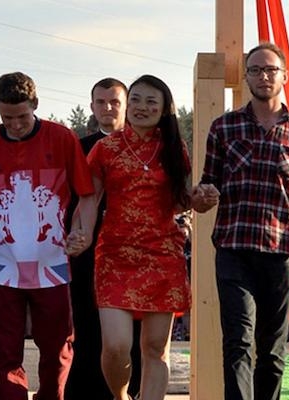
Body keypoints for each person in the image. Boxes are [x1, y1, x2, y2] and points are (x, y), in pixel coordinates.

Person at [0, 71, 97, 400]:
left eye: (22, 116)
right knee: (4, 350)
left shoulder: (62, 137)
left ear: (35, 104)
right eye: (7, 118)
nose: (16, 125)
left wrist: (83, 233)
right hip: (2, 264)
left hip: (52, 262)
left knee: (57, 348)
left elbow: (87, 195)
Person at [70, 74, 191, 400]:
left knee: (155, 348)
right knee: (116, 346)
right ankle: (121, 396)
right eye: (135, 99)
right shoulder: (105, 148)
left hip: (163, 255)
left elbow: (180, 201)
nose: (141, 107)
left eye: (151, 101)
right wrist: (83, 233)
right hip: (115, 255)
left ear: (164, 108)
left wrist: (200, 198)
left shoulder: (174, 148)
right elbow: (90, 199)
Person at [192, 41, 289, 400]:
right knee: (237, 341)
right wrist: (203, 197)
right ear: (247, 77)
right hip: (233, 249)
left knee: (272, 350)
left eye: (270, 70)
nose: (263, 76)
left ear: (284, 76)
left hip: (281, 250)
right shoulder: (224, 127)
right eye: (255, 70)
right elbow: (207, 188)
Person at [64, 78, 142, 400]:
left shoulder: (144, 146)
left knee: (132, 333)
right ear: (92, 106)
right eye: (101, 102)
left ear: (126, 106)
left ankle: (129, 392)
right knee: (86, 325)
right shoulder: (79, 149)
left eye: (115, 102)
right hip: (88, 252)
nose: (107, 108)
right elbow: (71, 199)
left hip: (135, 252)